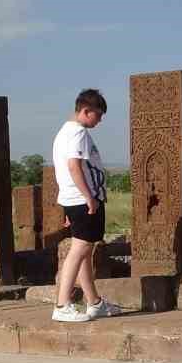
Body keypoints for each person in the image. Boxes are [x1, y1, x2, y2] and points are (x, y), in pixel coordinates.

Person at [51, 88, 121, 323]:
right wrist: (89, 197)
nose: (100, 121)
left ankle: (94, 302)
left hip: (74, 200)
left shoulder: (64, 132)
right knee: (79, 250)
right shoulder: (78, 132)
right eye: (98, 115)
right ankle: (62, 304)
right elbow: (73, 167)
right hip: (83, 199)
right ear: (86, 110)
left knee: (85, 251)